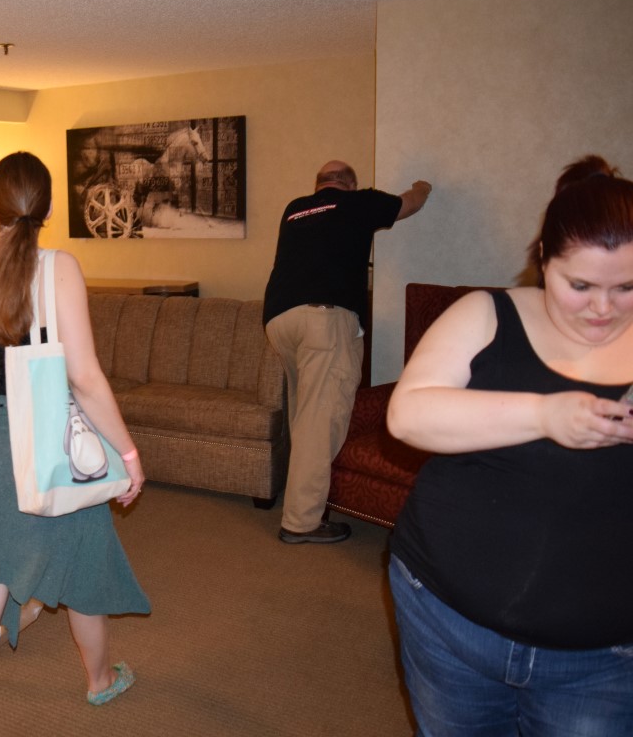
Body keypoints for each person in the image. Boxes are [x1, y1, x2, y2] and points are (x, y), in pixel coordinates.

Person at [386, 156, 633, 734]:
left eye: (627, 287)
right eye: (580, 286)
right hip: (445, 617)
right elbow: (408, 415)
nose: (603, 308)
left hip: (602, 656)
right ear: (543, 258)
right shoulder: (485, 313)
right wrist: (546, 414)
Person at [0, 152, 150, 736]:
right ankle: (100, 681)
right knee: (81, 567)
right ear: (48, 208)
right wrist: (128, 455)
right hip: (51, 439)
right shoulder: (61, 268)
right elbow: (85, 377)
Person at [262, 161, 432, 544]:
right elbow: (409, 203)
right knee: (319, 423)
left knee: (305, 416)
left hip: (279, 321)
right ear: (350, 185)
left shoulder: (295, 208)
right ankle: (301, 522)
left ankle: (303, 502)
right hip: (323, 320)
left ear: (318, 184)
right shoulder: (359, 202)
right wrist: (424, 185)